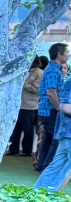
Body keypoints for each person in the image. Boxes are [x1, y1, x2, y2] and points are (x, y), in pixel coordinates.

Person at [35, 68, 71, 191]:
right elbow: (66, 107)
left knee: (57, 166)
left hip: (65, 133)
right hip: (68, 132)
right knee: (59, 167)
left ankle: (39, 194)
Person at [36, 43, 68, 171]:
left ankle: (42, 165)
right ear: (59, 54)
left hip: (47, 110)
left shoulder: (52, 69)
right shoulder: (53, 71)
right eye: (66, 52)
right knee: (56, 139)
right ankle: (48, 166)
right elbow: (50, 92)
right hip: (50, 110)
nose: (68, 55)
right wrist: (60, 108)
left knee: (48, 139)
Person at [8, 56, 46, 157]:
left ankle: (26, 151)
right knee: (15, 130)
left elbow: (37, 89)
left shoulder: (39, 73)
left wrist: (23, 83)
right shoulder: (23, 71)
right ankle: (13, 149)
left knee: (28, 130)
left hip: (30, 106)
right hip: (17, 105)